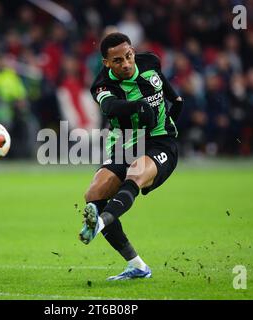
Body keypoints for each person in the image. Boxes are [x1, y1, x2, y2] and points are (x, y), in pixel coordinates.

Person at [79, 32, 183, 280]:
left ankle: (100, 223)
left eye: (128, 56)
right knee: (93, 195)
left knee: (136, 173)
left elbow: (171, 95)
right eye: (117, 61)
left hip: (160, 144)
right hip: (124, 146)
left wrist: (170, 115)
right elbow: (110, 107)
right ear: (106, 63)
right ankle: (137, 266)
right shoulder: (103, 85)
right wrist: (139, 106)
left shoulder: (150, 62)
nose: (125, 64)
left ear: (133, 51)